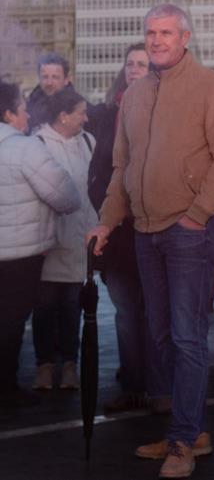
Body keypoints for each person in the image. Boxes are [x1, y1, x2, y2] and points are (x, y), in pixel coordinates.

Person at [86, 4, 214, 479]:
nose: (156, 41)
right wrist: (107, 221)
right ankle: (190, 428)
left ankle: (182, 442)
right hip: (144, 232)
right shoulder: (135, 95)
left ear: (185, 37)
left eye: (166, 33)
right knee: (162, 338)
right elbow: (123, 167)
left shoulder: (210, 88)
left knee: (186, 337)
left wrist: (197, 215)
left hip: (189, 234)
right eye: (150, 33)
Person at [88, 44, 160, 413]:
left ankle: (156, 383)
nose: (134, 69)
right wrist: (105, 215)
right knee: (126, 311)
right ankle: (134, 381)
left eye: (141, 64)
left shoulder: (161, 110)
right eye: (130, 63)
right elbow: (101, 170)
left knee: (153, 311)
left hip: (152, 227)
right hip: (117, 231)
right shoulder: (108, 113)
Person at [0, 82, 81, 408]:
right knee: (12, 320)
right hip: (20, 253)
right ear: (8, 114)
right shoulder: (25, 148)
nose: (27, 113)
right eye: (22, 108)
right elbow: (65, 196)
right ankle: (5, 388)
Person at [30, 89, 97, 392]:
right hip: (47, 242)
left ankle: (70, 364)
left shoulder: (88, 142)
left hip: (78, 242)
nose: (86, 117)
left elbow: (92, 191)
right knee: (44, 308)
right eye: (81, 112)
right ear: (63, 116)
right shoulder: (38, 144)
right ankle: (44, 366)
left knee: (72, 307)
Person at [26, 52, 73, 131]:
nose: (49, 83)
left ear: (66, 79)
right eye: (45, 77)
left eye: (55, 77)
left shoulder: (80, 110)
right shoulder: (28, 109)